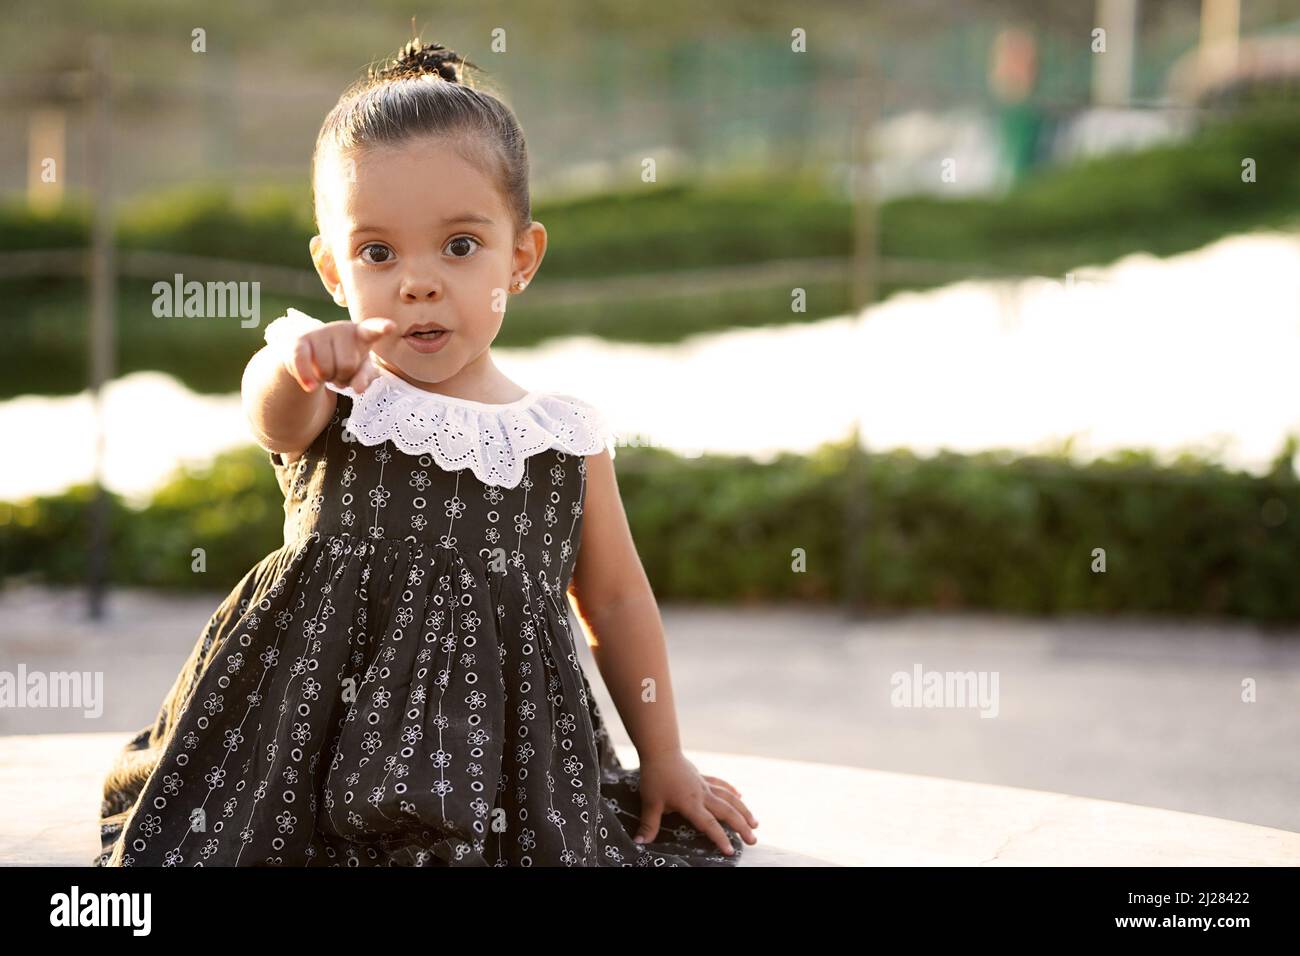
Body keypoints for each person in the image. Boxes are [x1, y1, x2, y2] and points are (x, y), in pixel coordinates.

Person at [94, 36, 758, 867]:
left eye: (459, 246)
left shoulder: (563, 436)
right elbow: (273, 418)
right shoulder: (340, 386)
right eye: (378, 252)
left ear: (521, 257)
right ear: (332, 267)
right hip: (304, 752)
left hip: (495, 768)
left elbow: (618, 602)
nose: (418, 282)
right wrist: (302, 364)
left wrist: (663, 756)